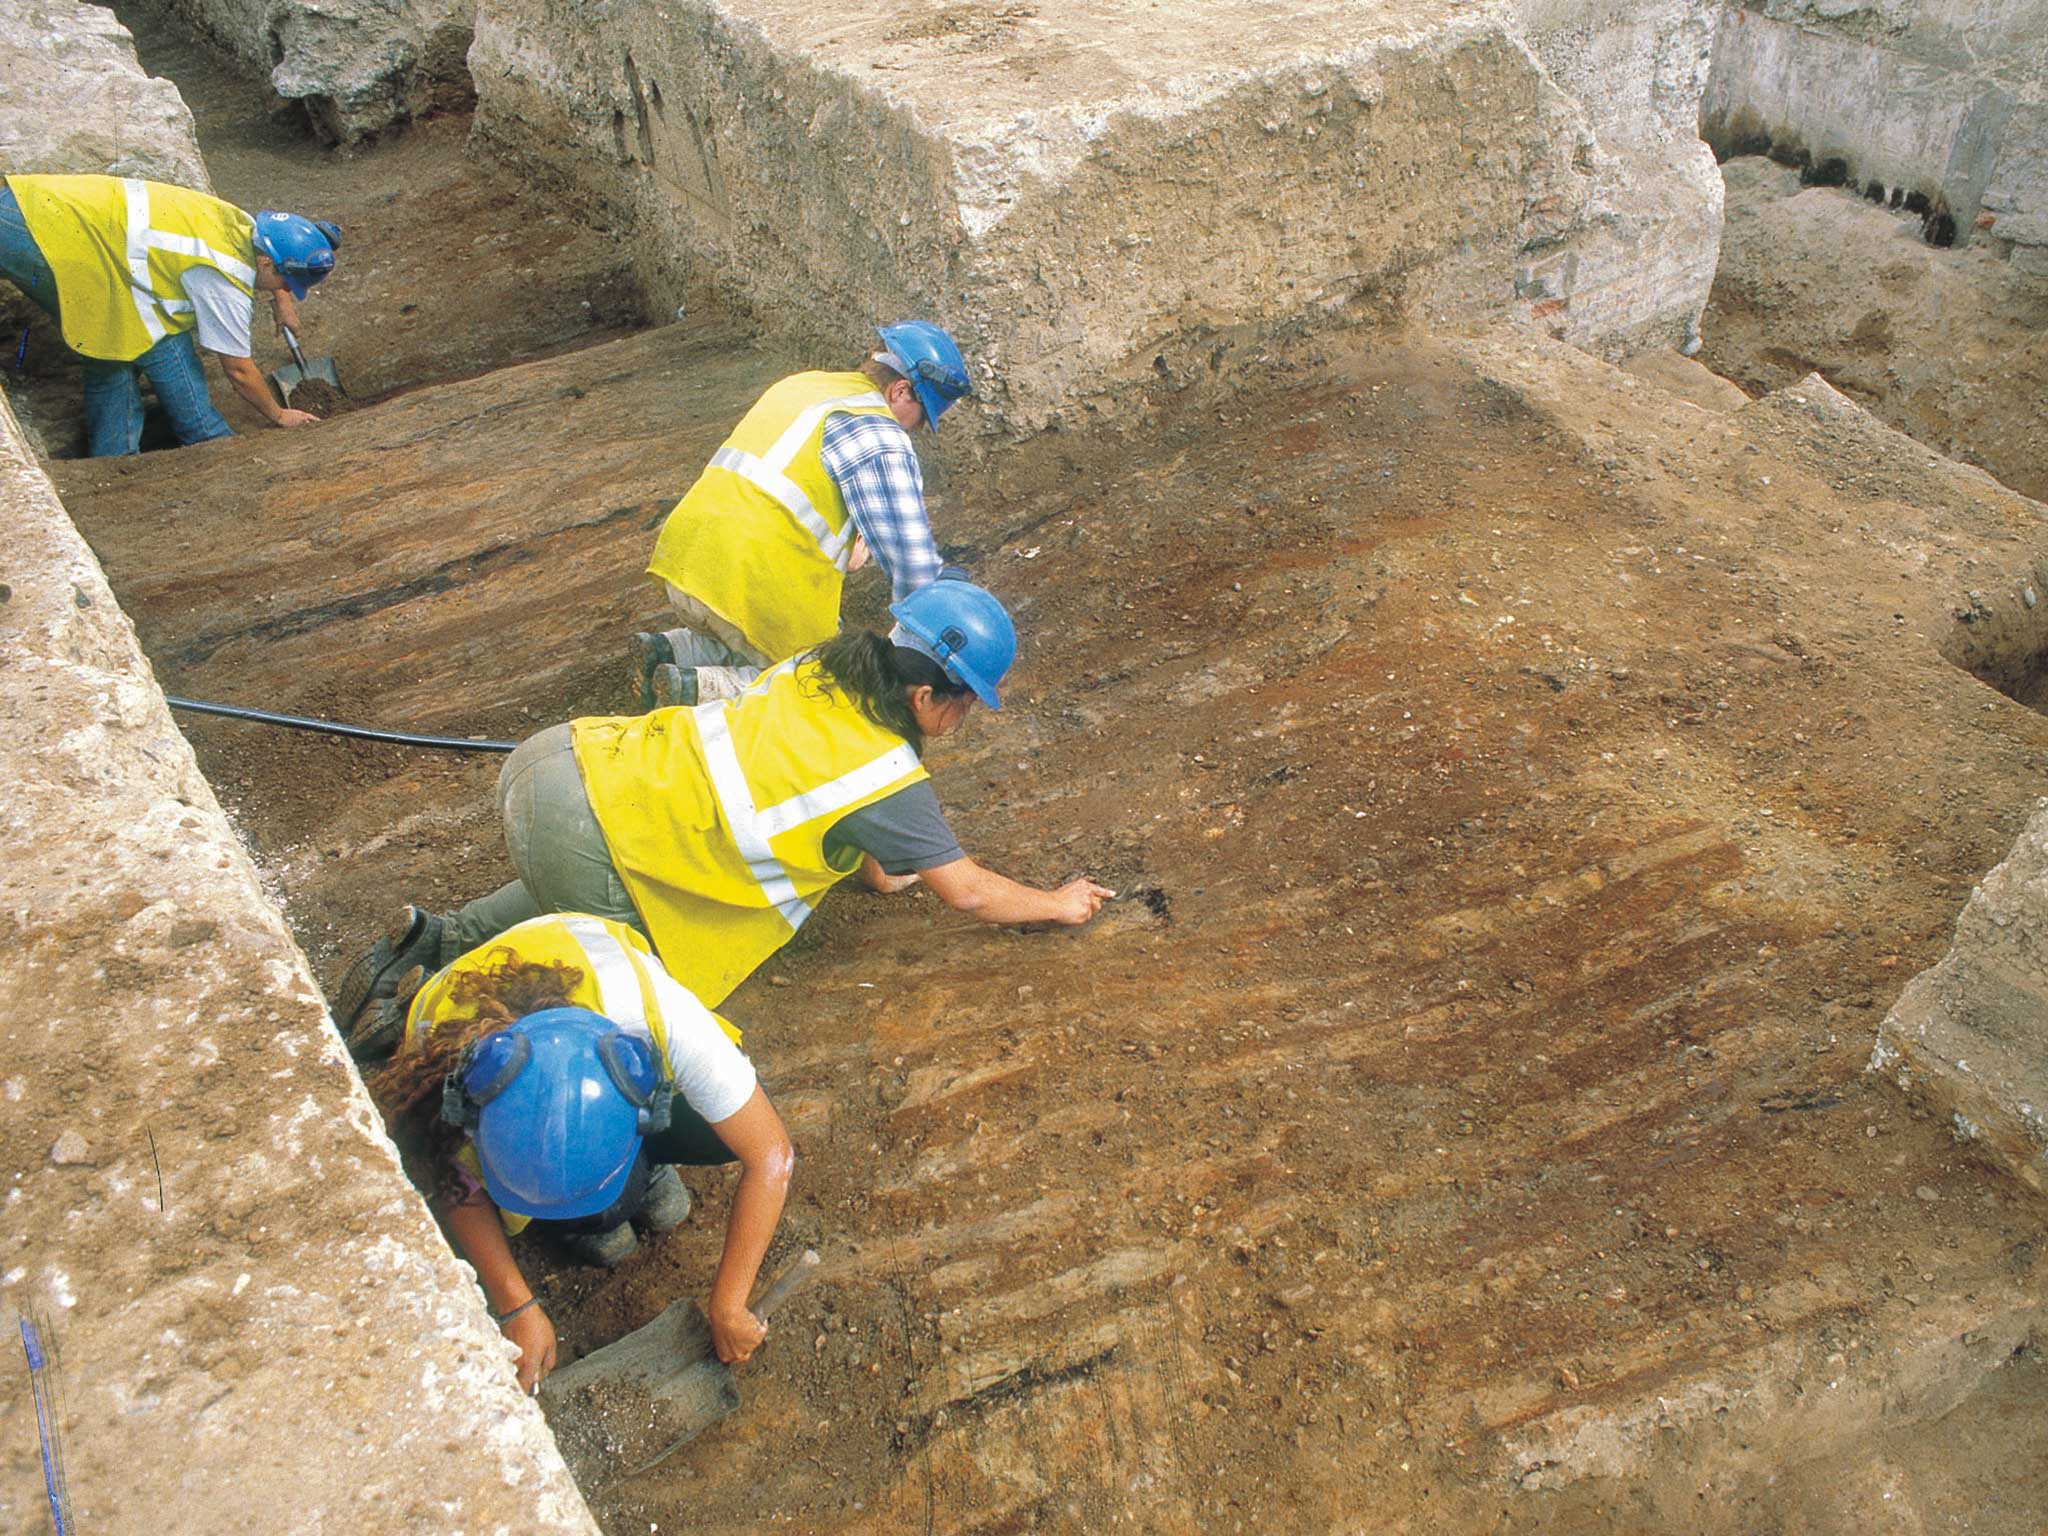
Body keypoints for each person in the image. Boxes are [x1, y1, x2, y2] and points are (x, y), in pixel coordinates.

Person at [337, 574, 1113, 1029]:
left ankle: (426, 942)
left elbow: (818, 797)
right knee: (619, 980)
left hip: (560, 762)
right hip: (588, 834)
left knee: (590, 871)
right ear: (922, 695)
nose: (966, 717)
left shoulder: (827, 666)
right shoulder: (886, 779)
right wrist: (1058, 902)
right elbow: (969, 892)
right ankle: (436, 1021)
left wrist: (879, 871)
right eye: (966, 702)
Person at [365, 912, 794, 1394]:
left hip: (612, 1020)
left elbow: (770, 1154)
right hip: (504, 1065)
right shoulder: (446, 1063)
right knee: (606, 1212)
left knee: (718, 1134)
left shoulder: (661, 1021)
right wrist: (516, 1305)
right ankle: (598, 1206)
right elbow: (451, 1180)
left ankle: (640, 1173)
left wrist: (729, 1306)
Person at [630, 320, 973, 709]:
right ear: (900, 391)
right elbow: (912, 566)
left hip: (687, 563)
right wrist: (926, 642)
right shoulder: (880, 435)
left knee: (753, 636)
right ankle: (694, 689)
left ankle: (670, 650)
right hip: (744, 579)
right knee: (825, 679)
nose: (916, 429)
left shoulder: (805, 385)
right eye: (922, 417)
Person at [0, 173, 339, 456]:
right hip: (43, 233)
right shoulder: (224, 279)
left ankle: (116, 460)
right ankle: (202, 439)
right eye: (285, 281)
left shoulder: (240, 226)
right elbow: (238, 369)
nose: (280, 287)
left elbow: (272, 264)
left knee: (115, 346)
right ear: (267, 262)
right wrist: (279, 415)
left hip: (37, 203)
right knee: (144, 343)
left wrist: (283, 298)